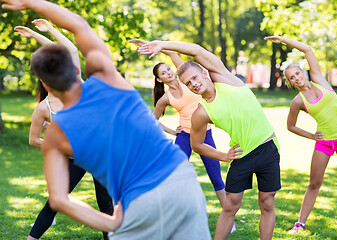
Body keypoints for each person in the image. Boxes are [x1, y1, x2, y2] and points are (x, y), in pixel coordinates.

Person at [1, 1, 211, 239]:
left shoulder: (56, 134)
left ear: (45, 84)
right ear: (77, 71)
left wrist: (112, 223)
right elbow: (79, 25)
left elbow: (59, 200)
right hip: (181, 179)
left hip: (138, 200)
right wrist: (32, 3)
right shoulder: (108, 79)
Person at [138, 40, 281, 240]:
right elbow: (196, 144)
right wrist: (223, 155)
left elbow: (196, 50)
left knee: (267, 202)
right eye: (188, 83)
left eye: (195, 78)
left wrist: (161, 44)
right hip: (242, 155)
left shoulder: (224, 78)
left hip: (268, 148)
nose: (194, 84)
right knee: (230, 206)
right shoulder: (201, 112)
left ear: (204, 73)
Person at [15, 19, 114, 240]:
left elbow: (69, 49)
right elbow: (33, 140)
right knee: (54, 201)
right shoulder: (43, 108)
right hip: (73, 158)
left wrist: (44, 31)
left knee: (106, 204)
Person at [264, 36, 337, 235]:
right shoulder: (297, 102)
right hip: (324, 143)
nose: (296, 78)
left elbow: (307, 50)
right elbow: (290, 126)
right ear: (290, 82)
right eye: (292, 77)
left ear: (303, 72)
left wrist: (283, 40)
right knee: (314, 184)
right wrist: (311, 136)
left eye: (297, 73)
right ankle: (300, 223)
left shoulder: (320, 80)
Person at [129, 39, 228, 213]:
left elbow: (173, 53)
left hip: (205, 135)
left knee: (216, 178)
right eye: (164, 73)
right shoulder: (165, 98)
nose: (169, 72)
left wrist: (151, 44)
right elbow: (153, 121)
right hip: (184, 137)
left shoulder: (186, 80)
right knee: (176, 177)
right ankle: (175, 214)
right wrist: (171, 131)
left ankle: (229, 217)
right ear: (160, 79)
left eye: (168, 69)